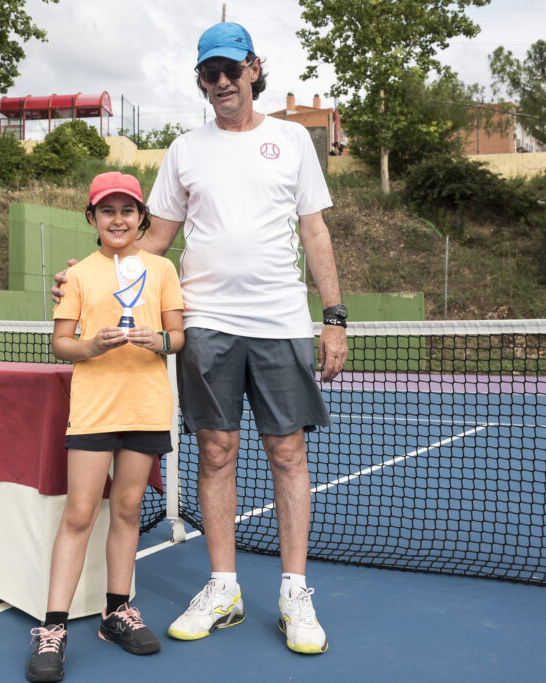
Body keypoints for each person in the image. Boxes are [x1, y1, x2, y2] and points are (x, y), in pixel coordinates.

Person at [53, 21, 348, 655]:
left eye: (228, 71)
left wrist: (334, 315)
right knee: (215, 452)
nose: (219, 83)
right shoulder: (185, 150)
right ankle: (224, 587)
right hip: (206, 322)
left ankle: (294, 592)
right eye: (207, 74)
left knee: (288, 454)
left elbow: (315, 233)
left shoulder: (294, 140)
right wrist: (85, 274)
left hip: (280, 323)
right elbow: (151, 238)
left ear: (252, 69)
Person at [27, 171, 185, 682]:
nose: (118, 219)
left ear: (142, 218)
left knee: (129, 508)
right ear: (92, 218)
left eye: (128, 210)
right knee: (78, 515)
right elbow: (61, 344)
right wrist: (91, 346)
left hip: (145, 407)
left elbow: (178, 337)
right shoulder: (76, 276)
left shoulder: (162, 269)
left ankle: (116, 612)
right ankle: (53, 629)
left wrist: (156, 339)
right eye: (107, 211)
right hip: (94, 412)